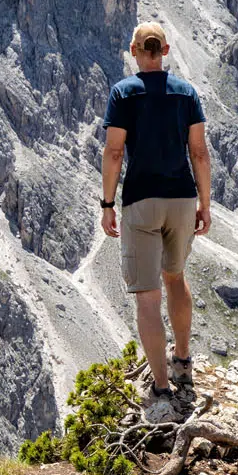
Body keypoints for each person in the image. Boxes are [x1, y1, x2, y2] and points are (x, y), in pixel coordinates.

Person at [100, 21, 211, 406]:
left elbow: (114, 152)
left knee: (147, 297)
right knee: (176, 279)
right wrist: (205, 205)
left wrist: (108, 203)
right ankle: (183, 361)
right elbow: (199, 152)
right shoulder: (186, 93)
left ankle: (161, 388)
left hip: (141, 201)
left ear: (134, 51)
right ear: (164, 51)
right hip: (181, 199)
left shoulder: (123, 94)